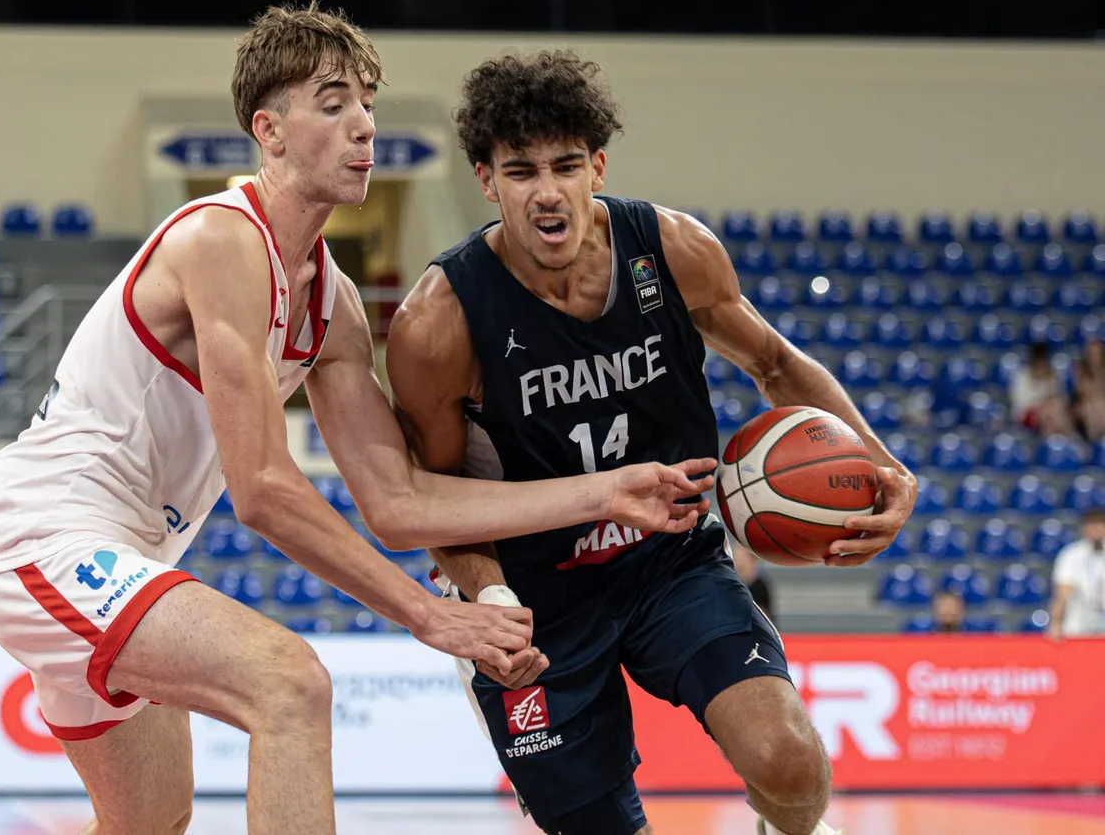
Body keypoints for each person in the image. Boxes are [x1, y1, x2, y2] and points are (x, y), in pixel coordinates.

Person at [0, 4, 712, 835]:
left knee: (149, 819)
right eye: (333, 102)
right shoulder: (220, 242)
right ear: (268, 130)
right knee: (290, 683)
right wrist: (431, 614)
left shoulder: (336, 306)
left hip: (123, 552)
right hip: (42, 537)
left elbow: (399, 501)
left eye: (369, 105)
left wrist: (604, 491)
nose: (364, 127)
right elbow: (264, 490)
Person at [386, 50, 917, 835]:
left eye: (566, 165)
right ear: (486, 180)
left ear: (597, 166)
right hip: (535, 598)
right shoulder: (440, 322)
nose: (547, 191)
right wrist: (491, 603)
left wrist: (878, 460)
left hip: (668, 562)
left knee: (793, 769)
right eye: (521, 170)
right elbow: (433, 501)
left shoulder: (671, 249)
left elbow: (773, 362)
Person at [1048, 508, 1105, 641]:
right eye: (1091, 525)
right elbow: (1062, 592)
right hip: (1079, 624)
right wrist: (1056, 622)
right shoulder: (1071, 555)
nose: (1096, 530)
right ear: (1083, 529)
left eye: (1100, 525)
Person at [1010, 341, 1073, 437]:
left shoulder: (1052, 375)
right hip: (1026, 415)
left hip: (1051, 411)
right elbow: (1020, 403)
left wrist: (1049, 384)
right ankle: (1067, 439)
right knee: (1050, 411)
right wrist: (1042, 401)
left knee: (1055, 409)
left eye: (1043, 362)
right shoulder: (1022, 376)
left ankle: (1054, 440)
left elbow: (1062, 399)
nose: (1041, 365)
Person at [729, 536, 776, 627]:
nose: (736, 558)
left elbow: (764, 616)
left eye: (741, 555)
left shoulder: (759, 586)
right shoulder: (731, 583)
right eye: (735, 555)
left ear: (750, 558)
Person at [1070, 338, 1105, 443]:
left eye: (1097, 353)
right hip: (1085, 405)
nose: (1095, 357)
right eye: (1092, 354)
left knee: (1099, 404)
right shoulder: (1080, 371)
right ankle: (1096, 444)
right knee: (1090, 407)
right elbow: (1084, 394)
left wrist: (1098, 371)